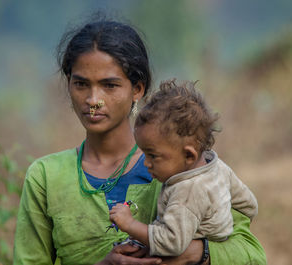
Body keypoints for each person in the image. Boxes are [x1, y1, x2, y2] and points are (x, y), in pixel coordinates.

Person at [13, 19, 267, 265]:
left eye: (109, 85)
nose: (93, 100)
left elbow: (252, 255)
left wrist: (193, 253)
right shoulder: (46, 177)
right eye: (80, 84)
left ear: (137, 89)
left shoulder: (181, 165)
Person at [109, 79, 259, 261]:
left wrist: (130, 224)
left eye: (153, 156)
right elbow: (249, 205)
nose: (146, 163)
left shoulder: (186, 192)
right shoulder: (217, 167)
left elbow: (171, 243)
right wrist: (218, 219)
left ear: (189, 156)